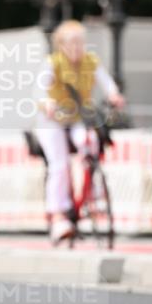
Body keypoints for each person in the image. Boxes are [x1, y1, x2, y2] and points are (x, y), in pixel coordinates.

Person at [36, 19, 125, 244]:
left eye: (80, 42)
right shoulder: (53, 63)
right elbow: (38, 90)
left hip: (78, 117)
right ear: (61, 45)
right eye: (72, 43)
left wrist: (114, 95)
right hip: (52, 120)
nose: (77, 48)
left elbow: (107, 84)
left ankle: (92, 192)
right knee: (60, 164)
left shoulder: (90, 61)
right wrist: (47, 103)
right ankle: (58, 217)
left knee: (91, 143)